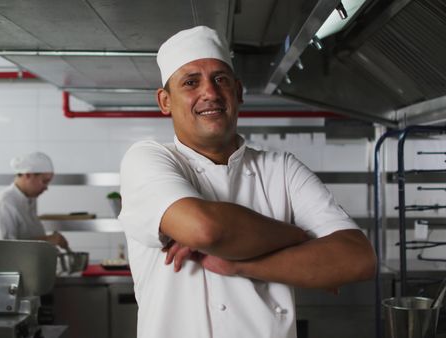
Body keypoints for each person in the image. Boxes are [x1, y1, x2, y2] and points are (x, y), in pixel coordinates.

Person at [119, 26, 376, 338]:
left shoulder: (281, 169)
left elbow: (359, 259)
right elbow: (205, 229)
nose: (210, 93)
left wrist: (240, 264)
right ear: (165, 101)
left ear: (238, 93)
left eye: (221, 79)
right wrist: (303, 238)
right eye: (190, 82)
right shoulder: (147, 159)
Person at [0, 152, 68, 249]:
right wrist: (47, 240)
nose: (46, 188)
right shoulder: (4, 205)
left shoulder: (29, 200)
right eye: (44, 181)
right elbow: (2, 250)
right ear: (28, 175)